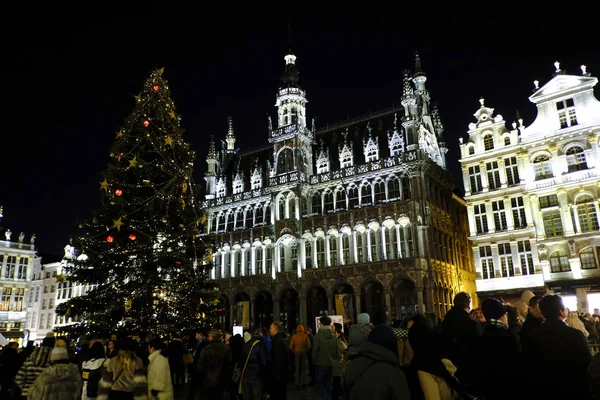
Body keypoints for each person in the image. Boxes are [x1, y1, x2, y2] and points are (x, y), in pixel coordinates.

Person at [312, 316, 338, 400]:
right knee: (328, 385)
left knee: (319, 385)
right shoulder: (334, 335)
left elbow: (315, 350)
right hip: (331, 363)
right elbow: (336, 350)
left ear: (322, 324)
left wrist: (314, 360)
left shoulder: (318, 336)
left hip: (320, 363)